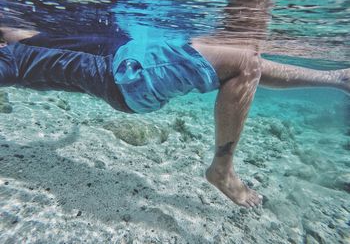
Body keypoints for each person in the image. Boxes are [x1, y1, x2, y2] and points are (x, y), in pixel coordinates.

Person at [1, 25, 349, 208]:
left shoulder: (29, 35)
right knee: (243, 61)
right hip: (122, 73)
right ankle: (222, 171)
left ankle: (337, 79)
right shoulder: (10, 58)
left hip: (124, 58)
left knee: (246, 63)